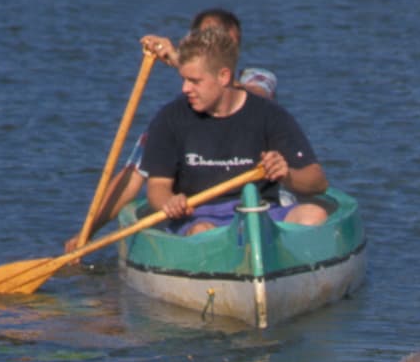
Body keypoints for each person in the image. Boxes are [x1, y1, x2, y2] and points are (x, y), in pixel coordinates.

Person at [67, 9, 278, 249]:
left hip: (258, 207)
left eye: (224, 43)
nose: (217, 49)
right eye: (208, 40)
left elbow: (255, 96)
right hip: (203, 217)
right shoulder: (174, 119)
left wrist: (180, 60)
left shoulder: (258, 79)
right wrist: (85, 235)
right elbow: (131, 179)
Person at [139, 25, 327, 236]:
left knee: (314, 215)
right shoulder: (170, 118)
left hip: (262, 213)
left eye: (194, 81)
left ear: (224, 76)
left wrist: (286, 175)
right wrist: (169, 202)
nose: (185, 89)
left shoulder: (270, 115)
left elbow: (317, 183)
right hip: (200, 217)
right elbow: (157, 187)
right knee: (204, 232)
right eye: (183, 79)